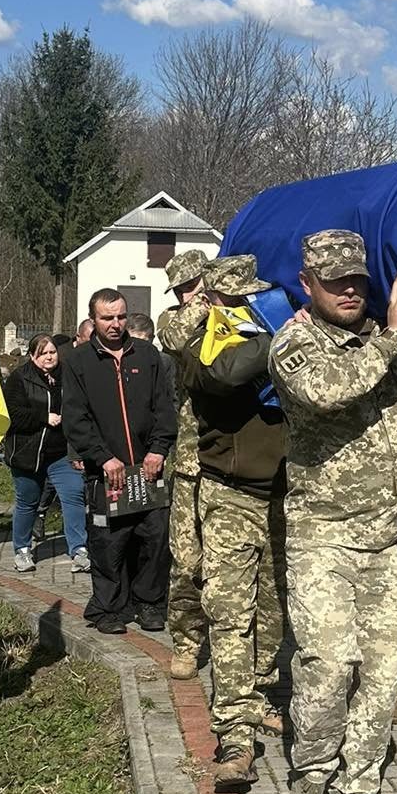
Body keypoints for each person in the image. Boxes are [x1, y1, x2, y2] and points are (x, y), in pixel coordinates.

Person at [269, 231, 397, 794]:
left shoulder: (389, 340)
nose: (349, 291)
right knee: (329, 664)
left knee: (385, 674)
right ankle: (311, 776)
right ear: (307, 285)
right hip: (324, 535)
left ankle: (356, 787)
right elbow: (329, 391)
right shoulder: (295, 343)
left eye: (356, 280)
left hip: (395, 537)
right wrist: (391, 338)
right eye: (334, 283)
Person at [180, 253, 290, 794]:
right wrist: (278, 336)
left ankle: (259, 695)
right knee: (229, 615)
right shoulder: (202, 342)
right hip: (228, 495)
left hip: (285, 499)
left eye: (256, 297)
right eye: (237, 298)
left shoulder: (274, 329)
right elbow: (226, 376)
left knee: (272, 613)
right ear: (214, 300)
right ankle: (235, 736)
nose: (247, 306)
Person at [62, 289, 176, 635]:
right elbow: (76, 419)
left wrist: (158, 450)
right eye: (107, 318)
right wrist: (102, 457)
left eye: (121, 317)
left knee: (154, 539)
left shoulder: (148, 355)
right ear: (93, 319)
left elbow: (164, 408)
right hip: (107, 473)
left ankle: (149, 603)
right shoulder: (78, 361)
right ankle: (110, 607)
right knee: (109, 543)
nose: (115, 324)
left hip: (148, 469)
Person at [157, 250, 213, 681]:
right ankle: (187, 641)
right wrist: (202, 300)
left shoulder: (234, 313)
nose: (185, 295)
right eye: (179, 290)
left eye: (191, 285)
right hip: (193, 461)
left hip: (237, 460)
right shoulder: (172, 319)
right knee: (186, 561)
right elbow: (175, 337)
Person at [2, 333, 89, 573]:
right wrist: (43, 418)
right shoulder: (20, 379)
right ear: (32, 356)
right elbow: (13, 414)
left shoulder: (67, 375)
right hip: (28, 453)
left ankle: (79, 550)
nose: (50, 357)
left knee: (73, 495)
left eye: (52, 352)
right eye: (43, 353)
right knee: (27, 502)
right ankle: (22, 549)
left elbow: (79, 406)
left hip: (61, 452)